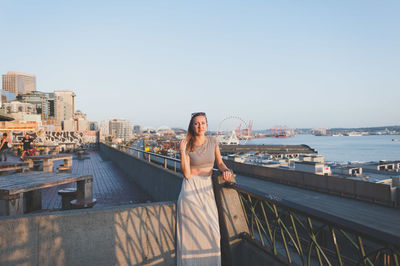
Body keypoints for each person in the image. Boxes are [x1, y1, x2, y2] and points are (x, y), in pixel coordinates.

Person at [177, 112, 232, 266]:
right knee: (192, 235)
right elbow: (186, 173)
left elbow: (219, 163)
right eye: (196, 123)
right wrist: (182, 151)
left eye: (203, 123)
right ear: (192, 126)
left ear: (207, 125)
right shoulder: (187, 145)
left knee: (213, 232)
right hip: (191, 188)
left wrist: (226, 170)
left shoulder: (213, 141)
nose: (200, 126)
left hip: (207, 187)